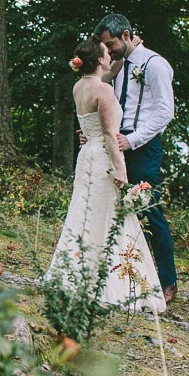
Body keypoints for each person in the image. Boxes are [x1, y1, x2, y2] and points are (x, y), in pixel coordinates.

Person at [46, 36, 167, 313]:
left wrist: (127, 53)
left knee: (84, 215)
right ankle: (114, 285)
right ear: (100, 59)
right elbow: (112, 136)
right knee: (110, 218)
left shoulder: (80, 86)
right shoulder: (105, 92)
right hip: (102, 158)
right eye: (106, 53)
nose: (110, 54)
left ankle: (74, 276)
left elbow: (106, 74)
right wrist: (122, 172)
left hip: (85, 158)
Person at [94, 14, 177, 304]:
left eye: (111, 43)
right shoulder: (116, 66)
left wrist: (133, 139)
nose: (108, 49)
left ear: (127, 35)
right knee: (116, 211)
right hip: (115, 144)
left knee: (149, 212)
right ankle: (124, 279)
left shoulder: (155, 64)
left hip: (142, 146)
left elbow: (165, 111)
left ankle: (167, 282)